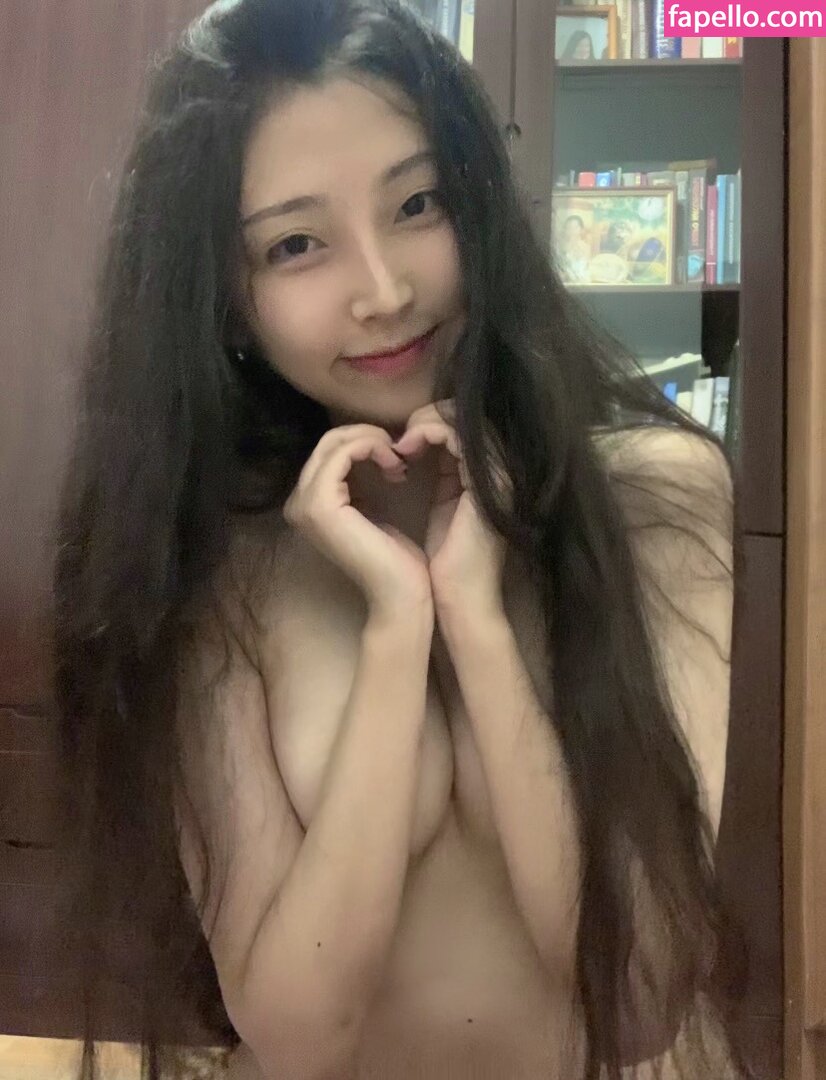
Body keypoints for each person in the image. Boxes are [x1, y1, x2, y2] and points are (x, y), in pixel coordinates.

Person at [52, 1, 745, 1077]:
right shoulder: (217, 562)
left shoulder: (655, 495)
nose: (384, 291)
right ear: (223, 302)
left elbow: (638, 996)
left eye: (417, 202)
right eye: (295, 244)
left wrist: (478, 620)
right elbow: (296, 1032)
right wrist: (394, 630)